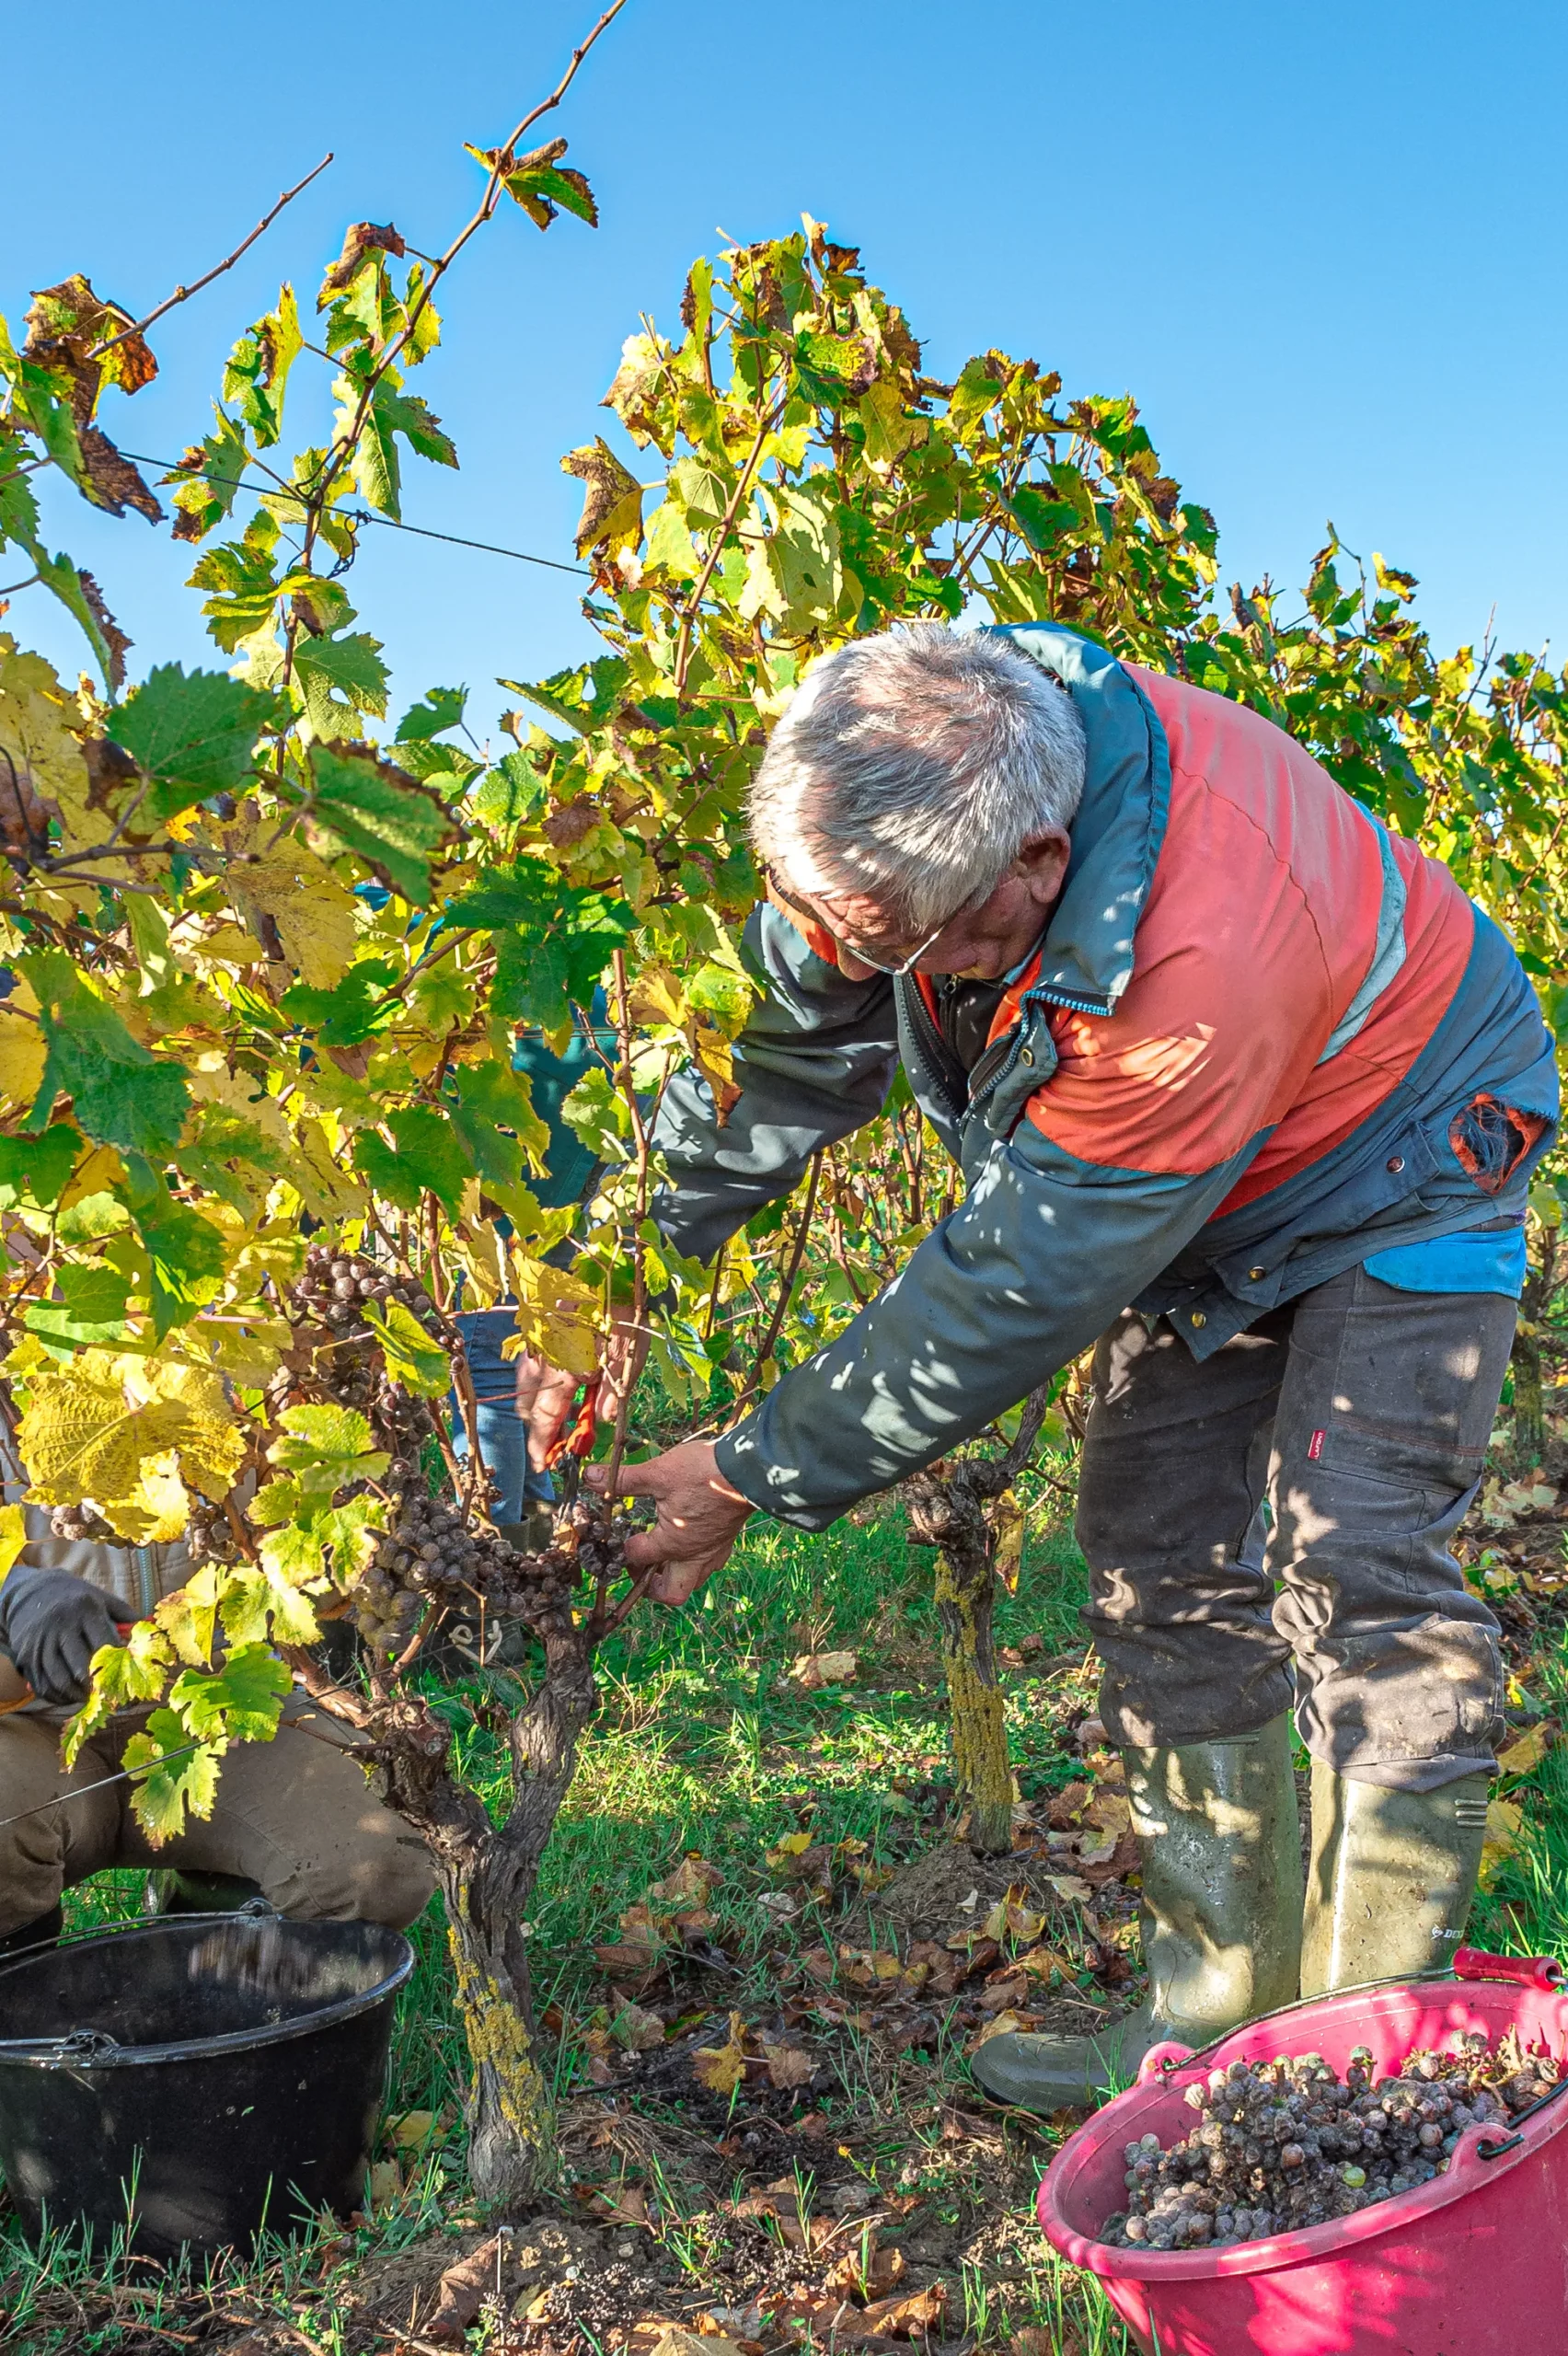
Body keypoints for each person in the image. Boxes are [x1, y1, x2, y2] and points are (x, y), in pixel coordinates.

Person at [517, 620, 1557, 2110]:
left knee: (1364, 1566)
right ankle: (1205, 2030)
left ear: (1040, 862)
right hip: (1199, 1171)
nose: (893, 974)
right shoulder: (894, 794)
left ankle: (1366, 2068)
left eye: (928, 945)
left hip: (1401, 1154)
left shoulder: (1197, 952)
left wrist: (742, 1471)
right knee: (1145, 1555)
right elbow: (785, 1049)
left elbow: (1006, 1289)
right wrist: (618, 1272)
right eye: (861, 936)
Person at [0, 1454, 435, 1958]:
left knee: (381, 1865)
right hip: (28, 1722)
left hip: (226, 1704)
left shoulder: (251, 1383)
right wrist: (14, 1592)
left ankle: (204, 1959)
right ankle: (25, 2016)